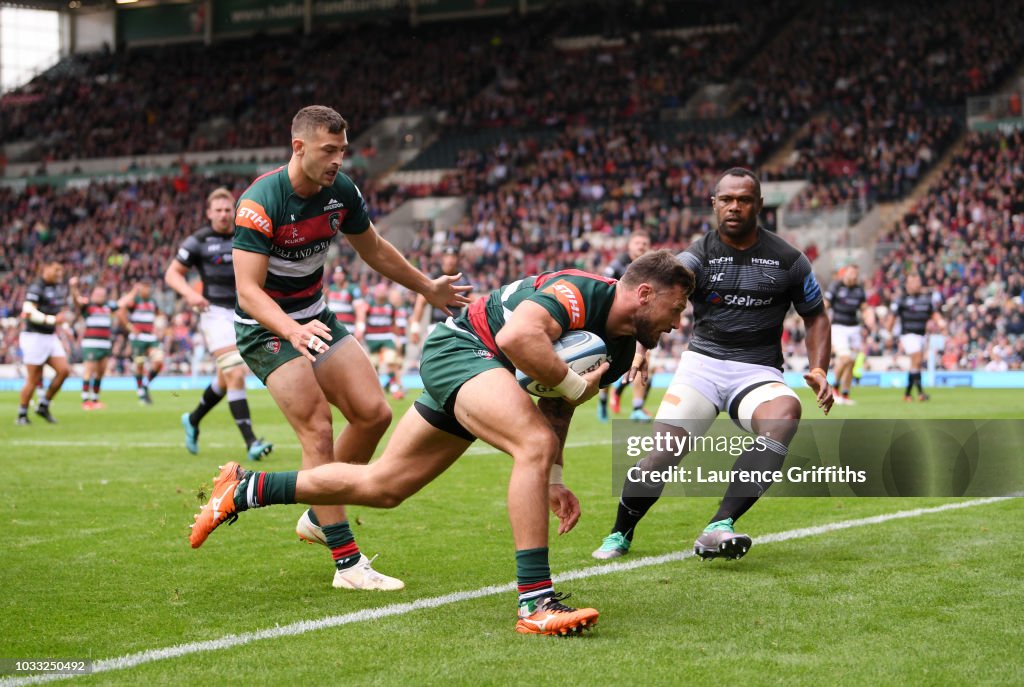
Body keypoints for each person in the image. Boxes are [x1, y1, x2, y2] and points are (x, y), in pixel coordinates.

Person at [189, 250, 695, 635]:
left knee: (384, 486)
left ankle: (245, 488)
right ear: (645, 294)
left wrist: (555, 478)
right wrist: (570, 387)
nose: (678, 323)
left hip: (482, 368)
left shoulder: (624, 343)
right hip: (462, 349)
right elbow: (522, 341)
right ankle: (535, 602)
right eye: (676, 308)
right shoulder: (580, 291)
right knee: (531, 445)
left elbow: (558, 406)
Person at [229, 105, 470, 591]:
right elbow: (248, 292)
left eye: (342, 149)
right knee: (318, 428)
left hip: (315, 318)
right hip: (267, 328)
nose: (339, 159)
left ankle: (321, 513)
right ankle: (347, 564)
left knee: (373, 413)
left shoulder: (341, 192)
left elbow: (375, 248)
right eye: (328, 150)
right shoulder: (260, 202)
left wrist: (426, 287)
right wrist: (291, 332)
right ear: (299, 147)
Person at [593, 168, 833, 562]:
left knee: (786, 414)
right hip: (702, 366)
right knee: (662, 454)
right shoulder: (696, 257)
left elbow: (816, 316)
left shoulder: (790, 260)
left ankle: (719, 526)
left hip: (757, 372)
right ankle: (621, 531)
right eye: (726, 200)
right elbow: (653, 299)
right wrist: (642, 347)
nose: (734, 207)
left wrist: (819, 368)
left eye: (743, 199)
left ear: (759, 205)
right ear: (714, 204)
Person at [166, 187, 273, 461]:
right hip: (214, 313)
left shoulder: (244, 234)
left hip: (244, 311)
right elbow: (172, 274)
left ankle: (192, 419)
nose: (225, 215)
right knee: (235, 373)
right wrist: (191, 294)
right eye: (219, 210)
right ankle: (251, 442)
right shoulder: (199, 240)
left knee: (225, 380)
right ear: (209, 213)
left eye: (228, 210)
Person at [597, 230, 653, 422]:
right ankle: (603, 402)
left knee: (643, 359)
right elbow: (605, 288)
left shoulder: (651, 269)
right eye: (638, 243)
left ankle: (637, 407)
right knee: (607, 363)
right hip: (616, 323)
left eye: (644, 243)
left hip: (640, 324)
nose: (641, 246)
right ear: (629, 246)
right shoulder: (617, 265)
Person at [16, 262, 70, 425]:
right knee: (34, 377)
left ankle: (43, 405)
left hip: (50, 336)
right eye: (55, 269)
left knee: (64, 371)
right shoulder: (36, 287)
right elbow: (28, 311)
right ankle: (22, 414)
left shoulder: (58, 287)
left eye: (61, 269)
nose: (59, 273)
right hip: (34, 336)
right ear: (44, 269)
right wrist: (52, 320)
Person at [886, 271, 943, 402]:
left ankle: (907, 394)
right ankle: (921, 393)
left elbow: (934, 313)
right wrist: (889, 333)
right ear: (907, 284)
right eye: (912, 282)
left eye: (917, 282)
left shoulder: (926, 299)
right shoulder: (901, 299)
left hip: (922, 336)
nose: (915, 285)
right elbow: (892, 318)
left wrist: (940, 322)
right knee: (916, 359)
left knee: (915, 365)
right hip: (908, 335)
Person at [824, 263, 869, 405]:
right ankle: (834, 388)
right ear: (845, 273)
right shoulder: (836, 286)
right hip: (839, 327)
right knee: (844, 358)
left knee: (852, 362)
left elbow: (864, 308)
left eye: (856, 274)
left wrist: (869, 317)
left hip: (854, 329)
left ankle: (845, 394)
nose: (854, 276)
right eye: (851, 273)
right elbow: (826, 304)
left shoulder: (859, 289)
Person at [117, 281, 165, 405]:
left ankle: (145, 385)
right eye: (145, 288)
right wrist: (129, 326)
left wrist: (160, 329)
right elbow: (121, 310)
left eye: (149, 288)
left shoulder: (153, 302)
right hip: (138, 339)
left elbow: (160, 316)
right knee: (139, 365)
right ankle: (141, 393)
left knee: (159, 361)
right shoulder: (135, 300)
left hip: (151, 337)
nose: (147, 291)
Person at [71, 280, 115, 411]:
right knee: (88, 371)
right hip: (91, 344)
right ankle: (85, 400)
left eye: (102, 294)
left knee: (100, 372)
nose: (100, 296)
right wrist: (73, 287)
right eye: (97, 293)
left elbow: (122, 303)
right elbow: (76, 300)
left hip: (105, 344)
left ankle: (95, 399)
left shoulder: (108, 308)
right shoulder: (88, 307)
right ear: (93, 295)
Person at [354, 282, 402, 397]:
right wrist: (360, 330)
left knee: (390, 360)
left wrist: (398, 338)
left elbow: (394, 323)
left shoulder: (390, 306)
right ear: (375, 292)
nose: (382, 292)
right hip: (371, 338)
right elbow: (361, 318)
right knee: (373, 365)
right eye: (380, 290)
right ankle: (373, 389)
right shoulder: (369, 304)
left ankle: (394, 389)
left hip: (386, 337)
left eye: (384, 290)